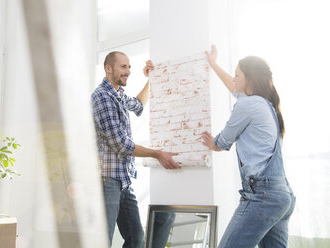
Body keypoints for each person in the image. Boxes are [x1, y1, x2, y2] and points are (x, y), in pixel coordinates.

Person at [202, 45, 296, 248]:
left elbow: (223, 142)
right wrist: (214, 65)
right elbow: (234, 88)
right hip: (282, 195)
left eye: (237, 75)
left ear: (249, 79)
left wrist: (212, 143)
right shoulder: (265, 104)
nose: (233, 79)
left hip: (263, 195)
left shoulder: (247, 105)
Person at [91, 51, 181, 248]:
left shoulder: (119, 95)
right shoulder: (102, 97)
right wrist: (157, 154)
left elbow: (139, 105)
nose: (128, 71)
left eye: (129, 67)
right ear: (108, 69)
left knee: (136, 238)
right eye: (123, 67)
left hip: (123, 180)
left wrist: (151, 79)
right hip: (107, 181)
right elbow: (121, 145)